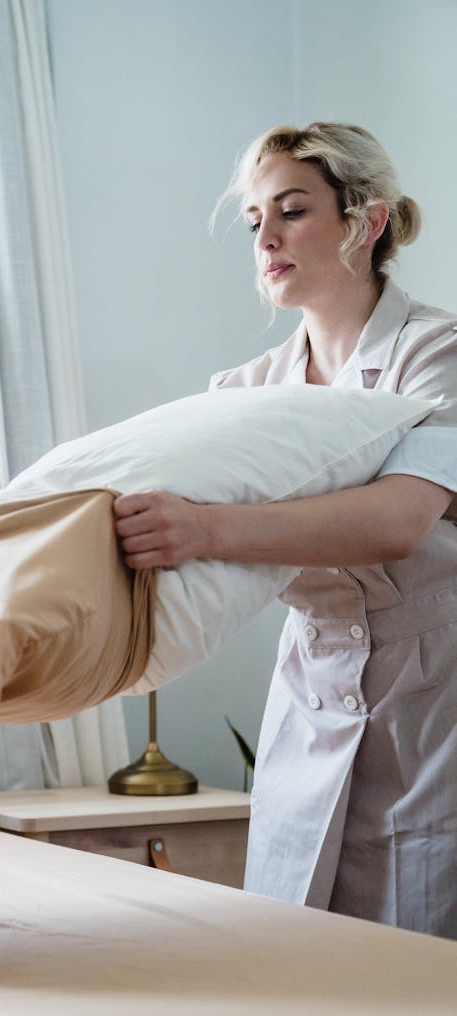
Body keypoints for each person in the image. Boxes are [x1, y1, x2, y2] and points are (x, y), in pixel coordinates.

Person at [114, 122, 457, 940]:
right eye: (253, 219)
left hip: (434, 695)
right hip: (307, 693)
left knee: (417, 964)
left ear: (366, 222)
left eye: (293, 210)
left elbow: (400, 517)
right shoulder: (241, 393)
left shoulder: (436, 352)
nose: (264, 236)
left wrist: (201, 527)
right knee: (290, 944)